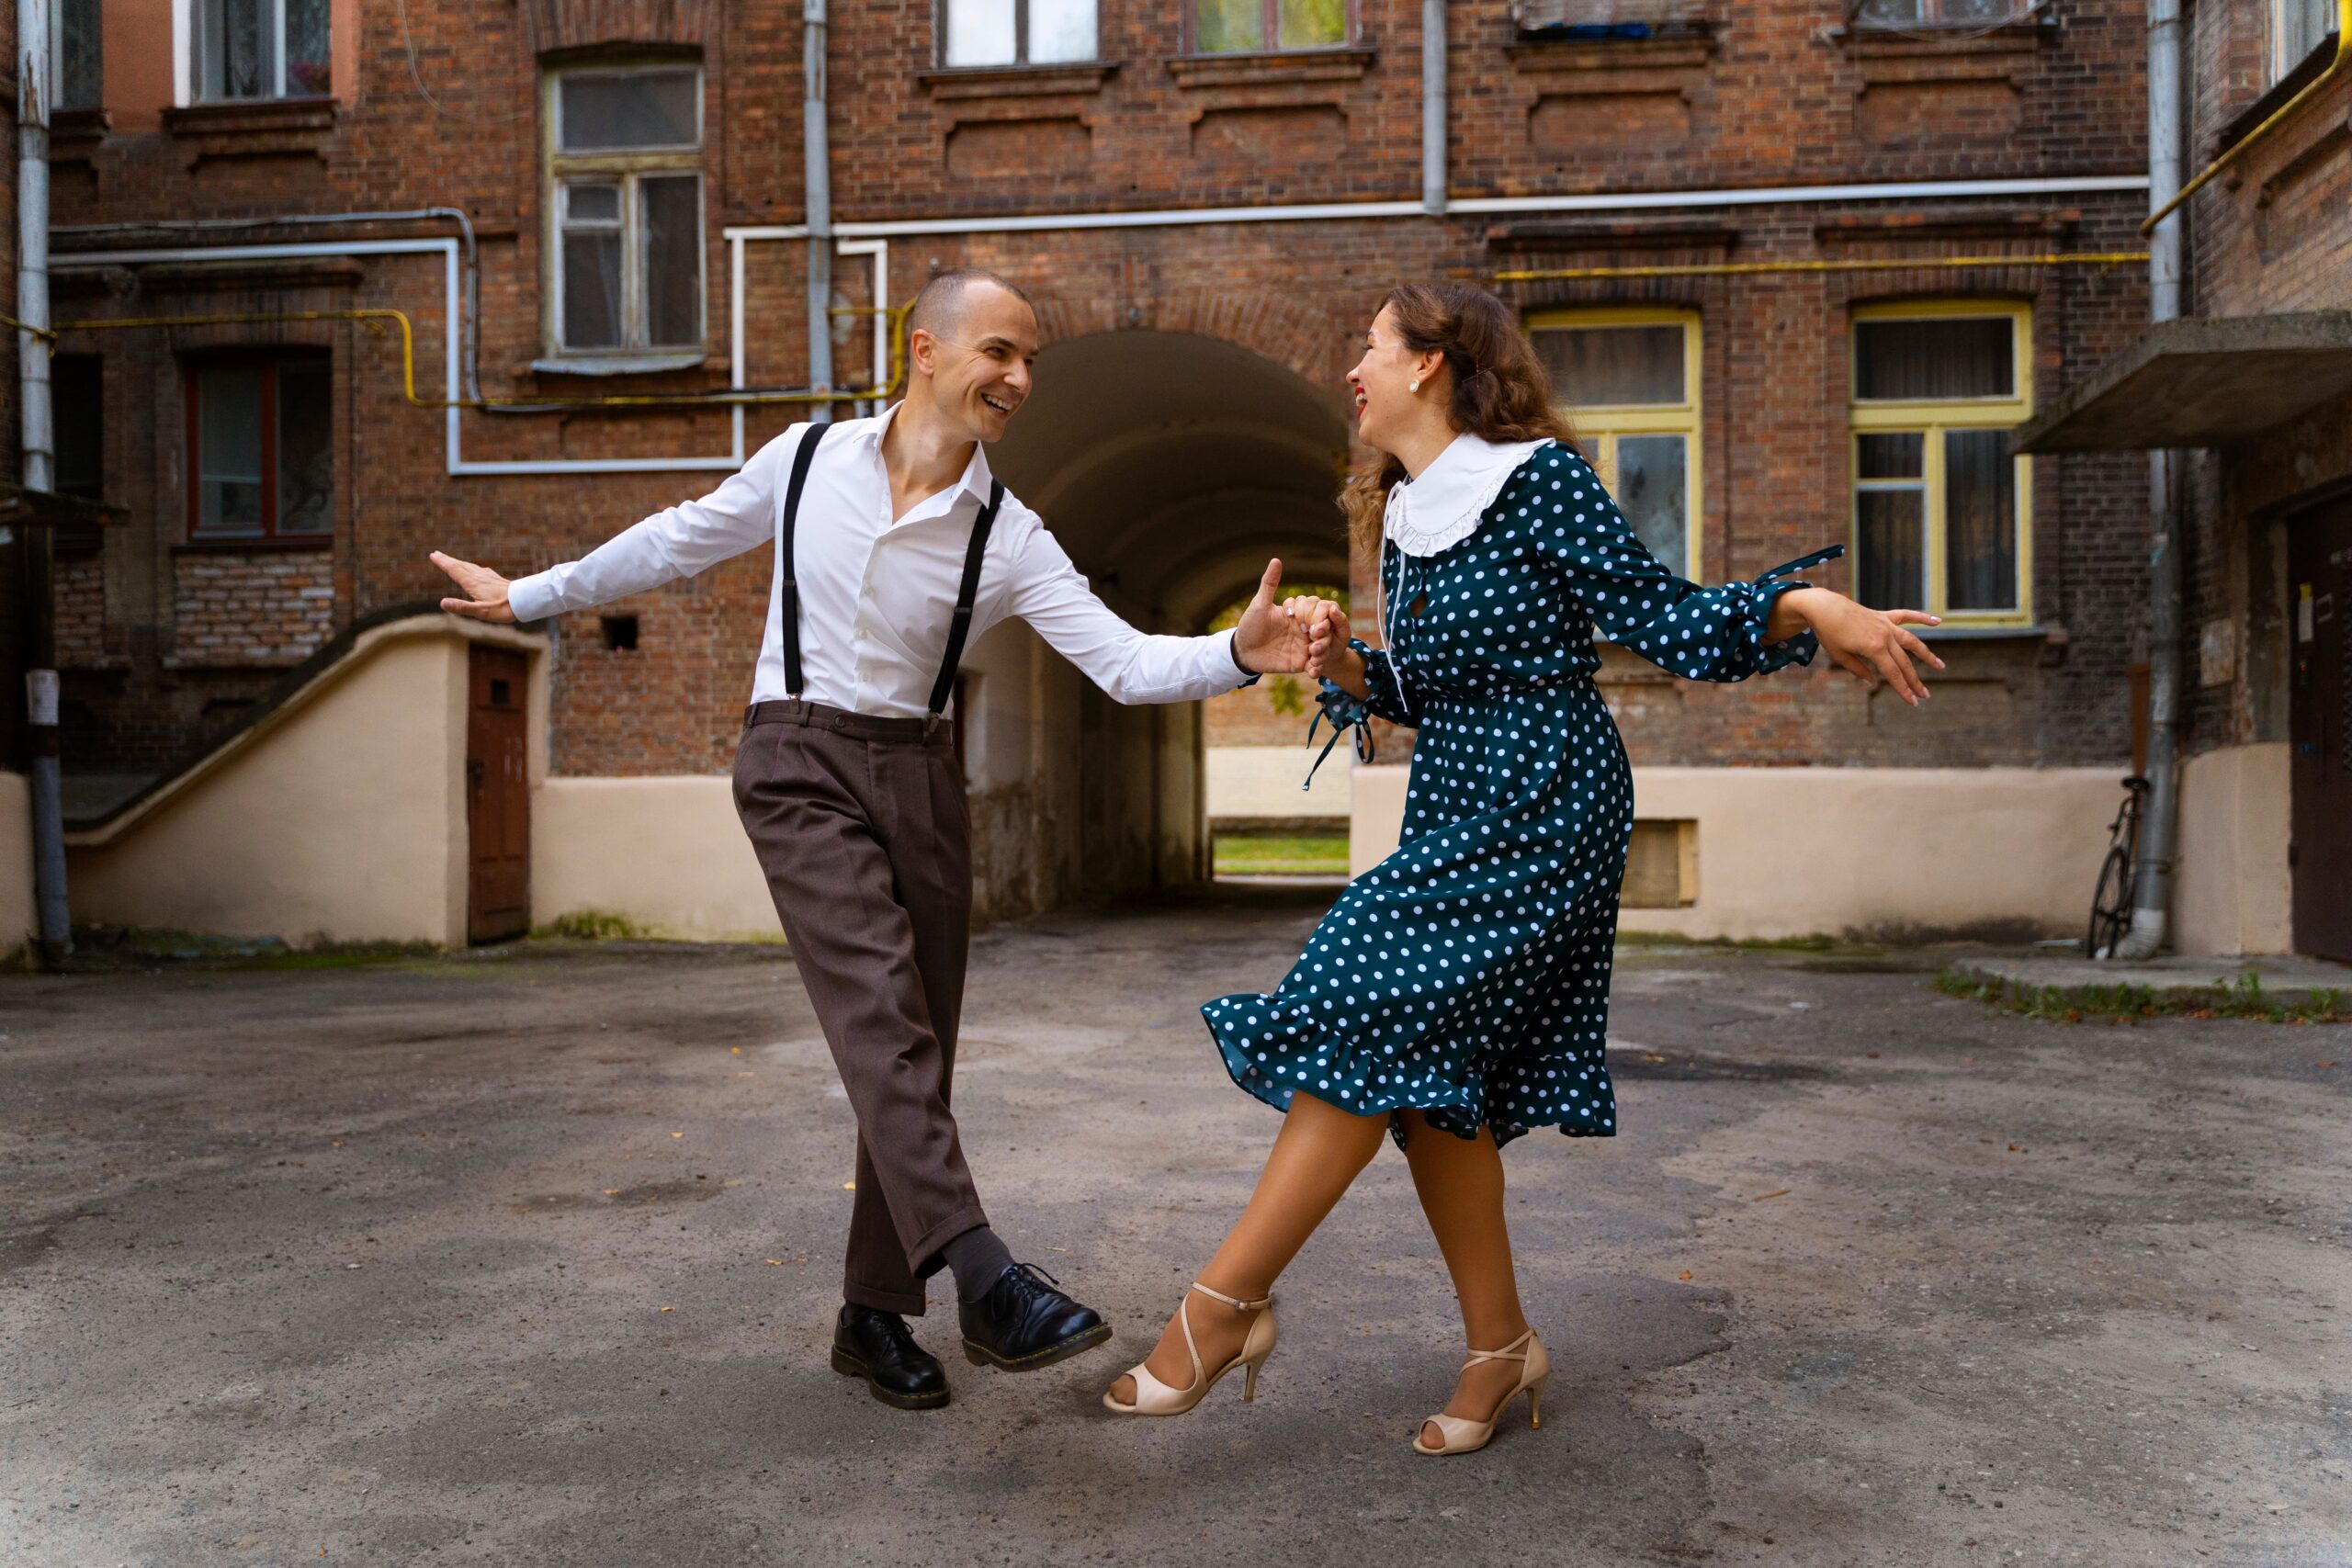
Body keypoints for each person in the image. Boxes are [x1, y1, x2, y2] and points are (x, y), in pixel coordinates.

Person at [430, 268, 1336, 1412]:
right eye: (999, 352)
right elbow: (678, 541)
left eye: (1029, 363)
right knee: (877, 1016)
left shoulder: (1009, 534)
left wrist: (1233, 655)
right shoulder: (806, 462)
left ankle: (871, 1315)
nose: (1018, 378)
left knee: (912, 1050)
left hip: (918, 774)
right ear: (923, 350)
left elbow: (1119, 660)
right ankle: (983, 1275)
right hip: (796, 760)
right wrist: (529, 596)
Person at [1101, 281, 1944, 1455]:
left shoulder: (1536, 480)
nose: (1353, 365)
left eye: (1371, 344)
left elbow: (1668, 619)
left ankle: (1217, 1312)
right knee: (1435, 1085)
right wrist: (1340, 660)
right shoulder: (1400, 514)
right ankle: (1500, 1348)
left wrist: (1806, 603)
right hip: (1453, 794)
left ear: (1434, 363)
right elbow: (1418, 695)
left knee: (1362, 1000)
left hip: (1546, 794)